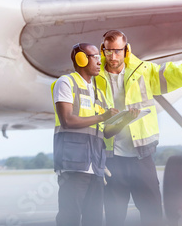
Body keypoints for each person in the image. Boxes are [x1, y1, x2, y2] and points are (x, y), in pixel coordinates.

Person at [96, 30, 182, 226]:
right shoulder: (94, 77)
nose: (113, 57)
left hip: (141, 157)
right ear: (103, 49)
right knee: (114, 216)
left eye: (117, 51)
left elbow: (173, 73)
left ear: (126, 50)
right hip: (112, 159)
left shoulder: (142, 71)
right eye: (108, 51)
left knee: (152, 213)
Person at [52, 42, 138, 226]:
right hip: (73, 165)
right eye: (96, 57)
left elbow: (105, 133)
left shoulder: (97, 91)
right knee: (69, 218)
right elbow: (67, 120)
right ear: (81, 59)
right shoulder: (66, 82)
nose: (101, 61)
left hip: (96, 166)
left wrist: (125, 120)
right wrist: (102, 116)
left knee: (95, 220)